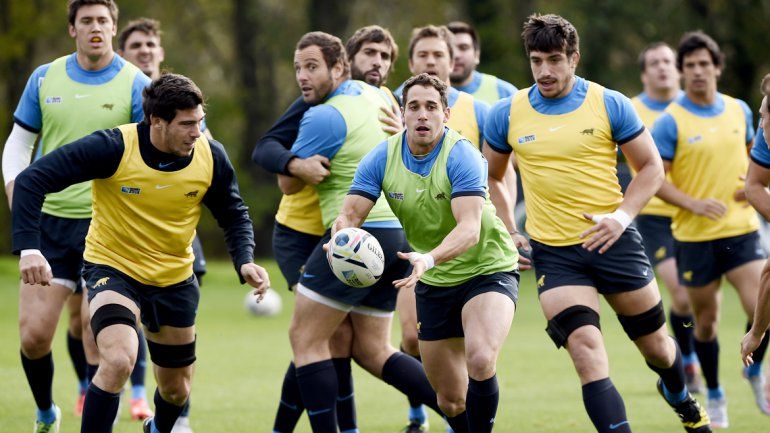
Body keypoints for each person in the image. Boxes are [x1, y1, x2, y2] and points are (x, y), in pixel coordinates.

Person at [484, 14, 710, 433]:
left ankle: (680, 397)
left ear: (574, 58)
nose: (545, 71)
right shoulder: (507, 113)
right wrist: (510, 229)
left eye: (554, 59)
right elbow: (493, 176)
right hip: (555, 255)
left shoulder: (609, 103)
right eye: (536, 60)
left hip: (614, 242)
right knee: (587, 352)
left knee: (658, 349)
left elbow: (651, 168)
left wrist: (621, 218)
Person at [11, 73, 269, 433]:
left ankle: (156, 428)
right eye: (187, 124)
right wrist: (29, 247)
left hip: (174, 277)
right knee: (118, 359)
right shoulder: (113, 147)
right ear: (156, 121)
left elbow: (234, 214)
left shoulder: (211, 156)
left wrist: (245, 260)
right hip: (113, 268)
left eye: (199, 121)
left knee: (176, 391)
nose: (197, 132)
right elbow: (31, 180)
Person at [278, 32, 464, 433]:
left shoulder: (325, 115)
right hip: (396, 236)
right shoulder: (380, 98)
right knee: (372, 348)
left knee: (306, 340)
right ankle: (462, 416)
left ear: (338, 68)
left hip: (357, 233)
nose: (303, 77)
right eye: (298, 68)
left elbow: (288, 184)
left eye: (311, 67)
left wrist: (296, 165)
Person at [334, 72, 519, 433]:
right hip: (435, 280)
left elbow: (469, 229)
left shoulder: (462, 155)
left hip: (487, 268)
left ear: (446, 114)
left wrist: (429, 257)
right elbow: (350, 215)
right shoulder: (381, 157)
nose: (422, 114)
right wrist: (340, 238)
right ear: (402, 113)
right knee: (450, 399)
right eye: (414, 106)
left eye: (431, 107)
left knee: (481, 359)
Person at [0, 1, 151, 431]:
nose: (95, 27)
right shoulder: (44, 77)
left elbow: (146, 154)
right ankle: (46, 412)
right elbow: (19, 144)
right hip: (49, 224)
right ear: (72, 29)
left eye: (103, 20)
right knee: (33, 338)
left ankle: (98, 413)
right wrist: (16, 191)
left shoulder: (136, 83)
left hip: (108, 229)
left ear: (114, 27)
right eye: (86, 21)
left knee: (93, 329)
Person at [252, 25, 405, 433]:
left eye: (385, 56)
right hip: (300, 234)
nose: (377, 62)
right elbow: (265, 147)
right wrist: (296, 164)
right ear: (347, 62)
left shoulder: (384, 101)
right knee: (323, 337)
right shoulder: (318, 101)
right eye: (369, 53)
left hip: (348, 231)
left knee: (325, 339)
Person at [652, 31, 770, 427]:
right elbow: (657, 178)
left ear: (717, 67)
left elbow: (758, 160)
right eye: (690, 66)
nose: (698, 71)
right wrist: (693, 203)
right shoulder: (671, 121)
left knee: (761, 306)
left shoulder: (739, 109)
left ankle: (755, 371)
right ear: (682, 72)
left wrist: (749, 188)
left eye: (704, 63)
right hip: (695, 237)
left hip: (741, 229)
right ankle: (716, 393)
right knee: (705, 322)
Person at [118, 17, 206, 432]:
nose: (145, 51)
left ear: (161, 52)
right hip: (125, 236)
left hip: (180, 238)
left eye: (151, 44)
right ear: (123, 54)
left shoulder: (186, 101)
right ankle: (136, 392)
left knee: (181, 326)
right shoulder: (120, 99)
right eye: (136, 45)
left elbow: (209, 162)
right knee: (123, 322)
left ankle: (176, 413)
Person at [631, 42, 703, 393]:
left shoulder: (696, 107)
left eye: (667, 62)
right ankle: (687, 360)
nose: (662, 68)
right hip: (655, 218)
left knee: (702, 303)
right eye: (654, 63)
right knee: (681, 295)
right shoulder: (631, 109)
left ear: (678, 69)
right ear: (644, 74)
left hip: (698, 218)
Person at [742, 72, 770, 408]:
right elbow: (754, 185)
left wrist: (756, 333)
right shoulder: (764, 141)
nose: (760, 125)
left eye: (763, 117)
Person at [446, 21, 517, 105]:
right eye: (449, 48)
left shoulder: (506, 93)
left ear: (477, 55)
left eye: (463, 48)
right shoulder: (432, 94)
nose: (455, 55)